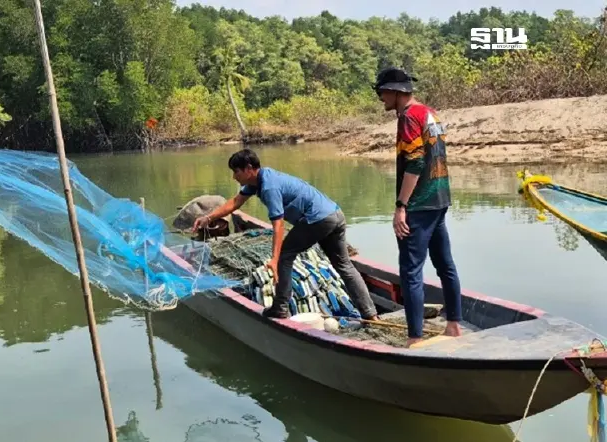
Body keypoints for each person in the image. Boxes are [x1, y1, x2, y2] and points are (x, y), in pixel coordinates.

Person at [191, 148, 379, 321]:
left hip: (318, 219)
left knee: (285, 256)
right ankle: (370, 314)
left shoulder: (269, 187)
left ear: (248, 169)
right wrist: (208, 217)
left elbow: (278, 225)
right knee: (344, 265)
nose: (234, 177)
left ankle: (280, 307)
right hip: (335, 215)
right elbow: (235, 202)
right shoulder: (259, 180)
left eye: (236, 171)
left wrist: (274, 259)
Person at [372, 67, 463, 346]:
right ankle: (453, 326)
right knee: (445, 265)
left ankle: (414, 339)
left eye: (381, 92)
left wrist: (401, 205)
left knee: (410, 272)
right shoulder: (429, 113)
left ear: (395, 92)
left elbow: (416, 163)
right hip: (440, 199)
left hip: (420, 204)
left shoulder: (409, 117)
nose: (380, 98)